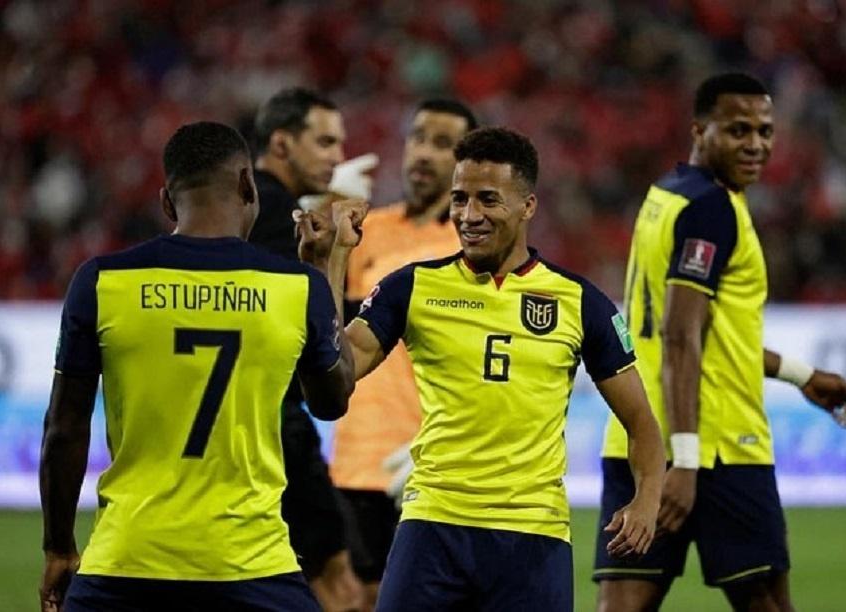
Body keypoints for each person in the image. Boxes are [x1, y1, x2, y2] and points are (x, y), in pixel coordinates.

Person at [299, 127, 666, 610]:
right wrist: (330, 262)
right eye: (459, 199)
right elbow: (332, 389)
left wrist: (646, 501)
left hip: (532, 534)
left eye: (488, 200)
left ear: (528, 206)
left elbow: (642, 424)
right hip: (433, 523)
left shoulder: (581, 303)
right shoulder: (411, 288)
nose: (469, 216)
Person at [38, 121, 357, 612]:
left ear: (167, 203)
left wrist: (59, 547)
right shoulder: (296, 287)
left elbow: (64, 428)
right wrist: (325, 268)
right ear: (249, 186)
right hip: (252, 565)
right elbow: (332, 401)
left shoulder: (102, 282)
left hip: (126, 564)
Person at [595, 73, 846, 612]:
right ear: (700, 129)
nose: (756, 144)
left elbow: (705, 332)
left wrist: (801, 375)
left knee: (622, 606)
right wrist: (688, 461)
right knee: (766, 601)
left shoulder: (665, 195)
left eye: (765, 131)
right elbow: (678, 334)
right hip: (718, 443)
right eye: (738, 130)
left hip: (635, 436)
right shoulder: (712, 209)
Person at [329, 98, 477, 609]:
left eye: (443, 144)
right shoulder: (367, 230)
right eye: (418, 138)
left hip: (430, 466)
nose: (424, 153)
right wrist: (320, 211)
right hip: (356, 461)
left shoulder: (472, 248)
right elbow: (328, 325)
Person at [249, 86, 369, 610]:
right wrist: (336, 251)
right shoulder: (277, 219)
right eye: (323, 142)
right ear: (281, 143)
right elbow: (319, 327)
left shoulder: (237, 210)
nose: (336, 156)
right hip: (278, 424)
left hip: (237, 428)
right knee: (339, 581)